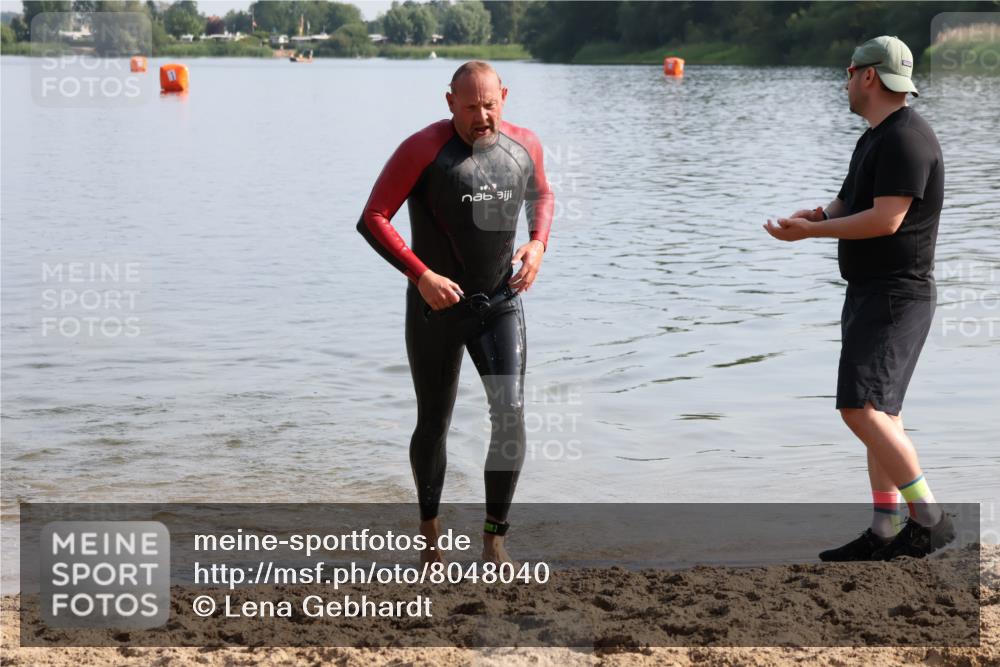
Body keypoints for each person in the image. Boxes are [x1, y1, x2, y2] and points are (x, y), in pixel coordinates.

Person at [763, 36, 954, 561]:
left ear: (869, 76)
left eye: (849, 71)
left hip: (897, 295)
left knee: (859, 407)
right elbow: (852, 200)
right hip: (872, 292)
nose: (845, 82)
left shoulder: (906, 138)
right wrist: (818, 216)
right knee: (882, 414)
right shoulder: (876, 136)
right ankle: (886, 529)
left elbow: (886, 218)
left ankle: (930, 517)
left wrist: (811, 236)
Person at [357, 61, 554, 565]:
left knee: (509, 418)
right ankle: (429, 535)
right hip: (436, 308)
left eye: (489, 105)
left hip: (500, 302)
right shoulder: (422, 148)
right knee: (434, 423)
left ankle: (494, 540)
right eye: (470, 107)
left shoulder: (525, 144)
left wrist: (537, 244)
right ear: (450, 103)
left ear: (503, 97)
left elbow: (543, 194)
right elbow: (373, 218)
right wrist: (420, 275)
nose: (481, 116)